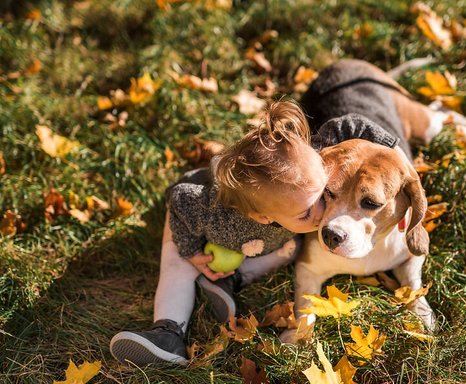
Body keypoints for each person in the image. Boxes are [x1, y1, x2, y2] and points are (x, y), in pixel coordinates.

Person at [109, 98, 403, 366]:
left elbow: (350, 124)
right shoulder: (221, 219)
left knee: (292, 249)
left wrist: (395, 152)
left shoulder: (309, 166)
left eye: (326, 193)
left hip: (266, 237)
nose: (324, 214)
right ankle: (168, 332)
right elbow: (181, 200)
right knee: (178, 266)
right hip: (192, 221)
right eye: (307, 212)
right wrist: (192, 251)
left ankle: (232, 280)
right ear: (263, 216)